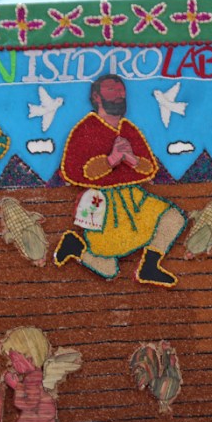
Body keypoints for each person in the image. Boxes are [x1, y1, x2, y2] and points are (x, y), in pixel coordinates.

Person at [54, 74, 185, 287]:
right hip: (101, 205)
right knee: (107, 268)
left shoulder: (128, 129)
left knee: (173, 218)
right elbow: (72, 171)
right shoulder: (84, 130)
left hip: (134, 198)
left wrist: (132, 160)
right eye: (111, 90)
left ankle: (149, 266)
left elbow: (149, 168)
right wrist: (111, 160)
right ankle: (74, 246)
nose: (119, 94)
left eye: (121, 90)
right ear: (96, 97)